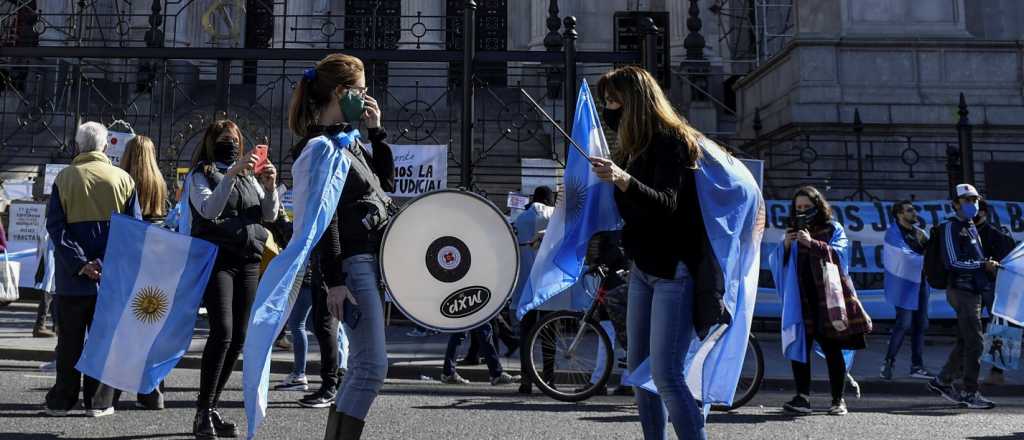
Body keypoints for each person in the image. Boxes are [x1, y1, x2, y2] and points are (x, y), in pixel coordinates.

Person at [589, 65, 717, 439]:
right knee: (639, 372)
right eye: (606, 101)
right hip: (642, 268)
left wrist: (623, 179)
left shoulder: (672, 141)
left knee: (665, 374)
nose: (609, 108)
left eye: (614, 100)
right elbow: (629, 212)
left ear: (636, 101)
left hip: (674, 270)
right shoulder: (631, 149)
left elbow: (667, 203)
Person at [287, 53, 394, 439]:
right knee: (371, 366)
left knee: (365, 365)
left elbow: (384, 183)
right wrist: (333, 279)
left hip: (366, 261)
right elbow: (322, 218)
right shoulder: (319, 148)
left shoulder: (345, 141)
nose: (366, 100)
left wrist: (376, 132)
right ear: (341, 92)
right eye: (361, 92)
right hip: (352, 265)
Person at [187, 119, 279, 439]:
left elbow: (268, 216)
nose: (233, 144)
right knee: (222, 331)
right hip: (218, 260)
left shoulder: (250, 178)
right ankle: (202, 410)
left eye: (237, 139)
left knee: (239, 335)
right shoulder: (201, 174)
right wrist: (229, 174)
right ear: (213, 143)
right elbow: (210, 209)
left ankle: (211, 407)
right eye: (226, 140)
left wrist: (269, 188)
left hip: (249, 262)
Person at [44, 121, 138, 418]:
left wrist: (81, 263)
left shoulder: (64, 178)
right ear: (106, 145)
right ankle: (98, 401)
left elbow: (56, 229)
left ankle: (62, 400)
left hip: (72, 279)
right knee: (103, 340)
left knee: (69, 342)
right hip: (109, 280)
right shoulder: (123, 179)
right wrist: (104, 263)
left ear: (78, 145)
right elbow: (132, 231)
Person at [774, 186, 871, 416]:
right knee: (800, 347)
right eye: (798, 207)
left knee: (832, 347)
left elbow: (840, 256)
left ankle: (838, 400)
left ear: (818, 207)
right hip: (801, 299)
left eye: (807, 207)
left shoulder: (833, 228)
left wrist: (812, 244)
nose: (802, 211)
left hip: (828, 299)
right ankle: (802, 398)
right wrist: (786, 246)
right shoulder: (792, 232)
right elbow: (779, 264)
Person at [927, 184, 999, 410]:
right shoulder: (951, 227)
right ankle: (970, 392)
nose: (973, 204)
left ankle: (943, 380)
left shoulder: (970, 226)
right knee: (976, 343)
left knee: (966, 340)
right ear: (956, 203)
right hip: (961, 290)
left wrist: (987, 265)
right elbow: (952, 262)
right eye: (967, 200)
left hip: (973, 291)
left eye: (975, 199)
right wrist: (982, 264)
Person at [120, 134, 171, 410]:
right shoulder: (159, 183)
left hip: (130, 259)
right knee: (152, 328)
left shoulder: (124, 181)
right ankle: (153, 391)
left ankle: (113, 391)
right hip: (157, 260)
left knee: (125, 328)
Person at [880, 200, 934, 380]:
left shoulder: (920, 234)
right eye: (909, 210)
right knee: (903, 324)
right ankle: (888, 362)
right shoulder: (893, 234)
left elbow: (932, 254)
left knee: (920, 325)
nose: (914, 213)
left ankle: (917, 366)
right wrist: (925, 259)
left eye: (914, 210)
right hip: (903, 285)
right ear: (899, 214)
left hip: (921, 284)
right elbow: (903, 256)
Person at [511, 186, 555, 395]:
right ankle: (549, 379)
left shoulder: (520, 219)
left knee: (526, 335)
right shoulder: (554, 216)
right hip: (547, 285)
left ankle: (526, 380)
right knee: (549, 334)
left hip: (525, 286)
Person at [973, 200, 1016, 385]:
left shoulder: (996, 233)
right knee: (970, 327)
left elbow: (1009, 259)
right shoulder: (963, 230)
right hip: (972, 286)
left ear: (982, 213)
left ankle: (998, 370)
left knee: (1000, 326)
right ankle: (962, 368)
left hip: (992, 285)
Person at [440, 324, 519, 385]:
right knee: (483, 329)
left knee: (460, 332)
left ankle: (448, 372)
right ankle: (496, 374)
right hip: (473, 305)